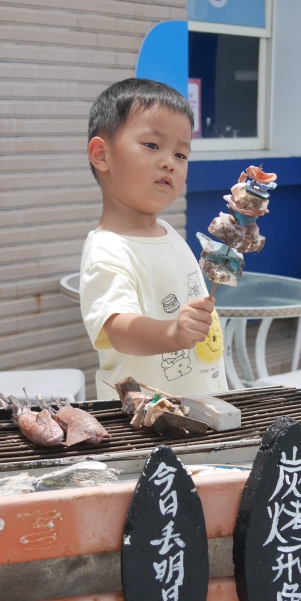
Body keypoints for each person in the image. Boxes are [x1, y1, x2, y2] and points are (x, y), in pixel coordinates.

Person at [79, 78, 228, 399]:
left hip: (201, 406)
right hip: (145, 417)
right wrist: (173, 332)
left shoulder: (170, 234)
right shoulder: (108, 248)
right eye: (151, 145)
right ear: (101, 154)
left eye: (181, 154)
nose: (168, 162)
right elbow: (119, 329)